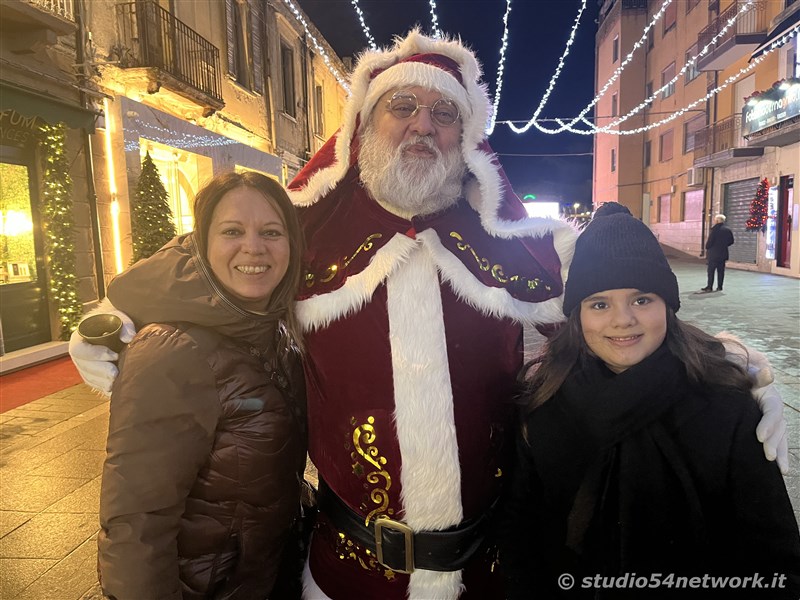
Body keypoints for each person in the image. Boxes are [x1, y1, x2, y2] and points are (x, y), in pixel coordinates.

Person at [71, 32, 788, 600]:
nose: (424, 125)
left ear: (466, 134)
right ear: (367, 120)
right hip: (345, 572)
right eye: (403, 106)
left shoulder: (517, 243)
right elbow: (198, 270)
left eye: (445, 112)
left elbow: (619, 310)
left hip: (490, 567)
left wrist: (726, 365)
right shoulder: (300, 226)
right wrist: (112, 323)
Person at [500, 211, 800, 599]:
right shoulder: (544, 405)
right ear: (577, 316)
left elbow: (776, 559)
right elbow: (521, 541)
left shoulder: (726, 406)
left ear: (668, 307)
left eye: (641, 299)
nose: (623, 320)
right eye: (599, 304)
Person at [95, 172, 307, 599]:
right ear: (201, 242)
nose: (254, 247)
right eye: (232, 231)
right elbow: (136, 522)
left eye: (271, 232)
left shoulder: (275, 331)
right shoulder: (172, 350)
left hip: (263, 576)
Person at [701, 213, 734, 292]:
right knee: (721, 271)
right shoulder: (728, 230)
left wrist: (707, 247)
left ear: (717, 221)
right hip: (723, 253)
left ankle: (709, 287)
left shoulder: (714, 230)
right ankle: (720, 286)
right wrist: (724, 245)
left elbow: (710, 242)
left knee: (711, 271)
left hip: (713, 254)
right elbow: (731, 241)